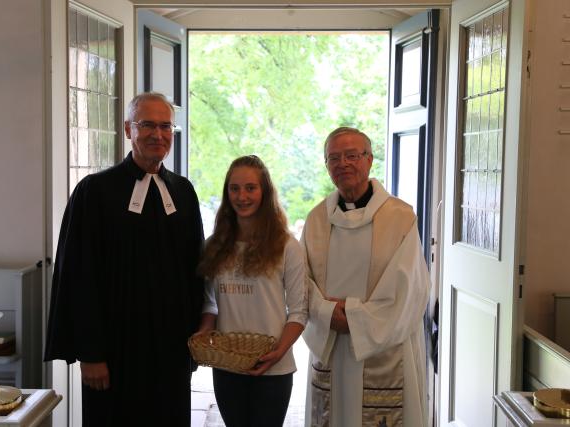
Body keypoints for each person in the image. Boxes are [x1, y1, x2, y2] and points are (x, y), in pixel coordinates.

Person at [44, 92, 204, 426]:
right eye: (147, 125)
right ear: (128, 129)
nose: (157, 134)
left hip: (170, 352)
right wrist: (91, 353)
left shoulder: (184, 192)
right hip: (115, 354)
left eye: (165, 126)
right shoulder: (94, 192)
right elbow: (79, 277)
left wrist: (194, 343)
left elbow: (196, 272)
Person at [301, 127, 430, 427]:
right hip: (331, 342)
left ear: (369, 160)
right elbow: (299, 280)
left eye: (352, 155)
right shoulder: (316, 219)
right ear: (327, 166)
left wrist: (357, 319)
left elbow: (410, 290)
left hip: (384, 346)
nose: (343, 163)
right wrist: (326, 312)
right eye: (334, 158)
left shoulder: (400, 217)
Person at [196, 155, 308, 427]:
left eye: (250, 188)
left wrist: (278, 352)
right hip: (227, 366)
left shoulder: (287, 247)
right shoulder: (215, 245)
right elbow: (210, 302)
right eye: (234, 188)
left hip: (273, 368)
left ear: (265, 192)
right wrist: (204, 330)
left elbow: (299, 311)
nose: (242, 196)